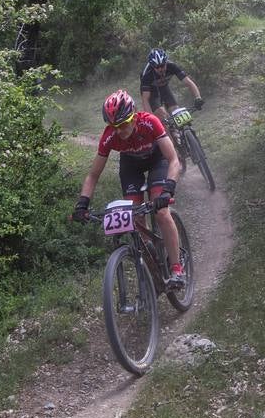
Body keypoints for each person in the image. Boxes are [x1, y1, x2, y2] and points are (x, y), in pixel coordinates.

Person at [72, 89, 185, 287]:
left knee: (161, 213)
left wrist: (168, 189)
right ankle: (153, 263)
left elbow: (173, 159)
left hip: (157, 161)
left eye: (123, 125)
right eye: (113, 126)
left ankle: (177, 268)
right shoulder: (110, 137)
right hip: (130, 166)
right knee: (134, 217)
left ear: (134, 118)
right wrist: (82, 204)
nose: (118, 131)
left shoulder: (150, 122)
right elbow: (93, 175)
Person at [140, 48, 203, 123]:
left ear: (166, 63)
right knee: (162, 115)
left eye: (162, 65)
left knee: (176, 112)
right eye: (157, 67)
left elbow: (189, 82)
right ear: (153, 67)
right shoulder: (147, 74)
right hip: (152, 93)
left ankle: (184, 132)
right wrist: (151, 118)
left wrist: (198, 97)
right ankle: (169, 134)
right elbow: (145, 99)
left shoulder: (172, 66)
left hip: (164, 88)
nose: (160, 69)